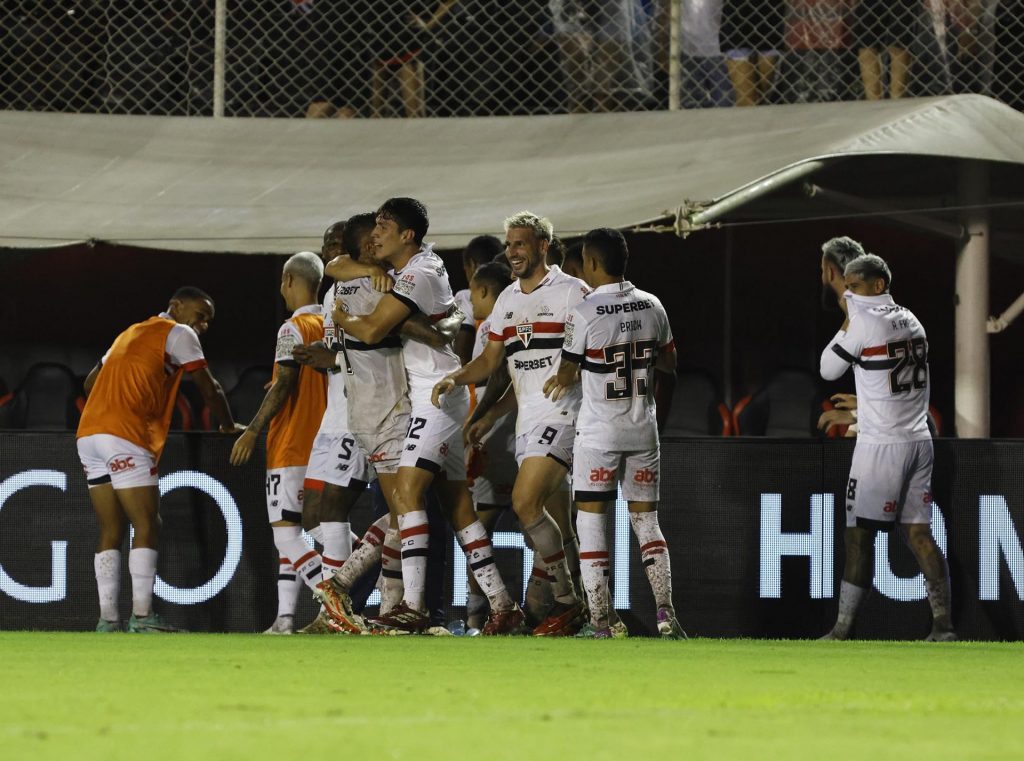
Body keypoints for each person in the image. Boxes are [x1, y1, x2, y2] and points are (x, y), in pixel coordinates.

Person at [325, 198, 522, 634]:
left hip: (435, 396)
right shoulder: (416, 266)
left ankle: (411, 606)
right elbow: (337, 264)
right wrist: (369, 272)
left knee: (408, 495)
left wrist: (344, 318)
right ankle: (504, 604)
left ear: (406, 235)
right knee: (457, 506)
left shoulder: (416, 274)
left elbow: (375, 329)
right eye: (373, 226)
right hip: (436, 394)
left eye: (384, 226)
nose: (375, 234)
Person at [295, 213, 463, 633]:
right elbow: (393, 331)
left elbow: (338, 276)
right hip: (387, 409)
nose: (381, 240)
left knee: (400, 510)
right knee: (403, 508)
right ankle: (344, 591)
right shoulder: (378, 285)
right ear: (368, 247)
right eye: (376, 237)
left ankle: (386, 610)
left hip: (363, 410)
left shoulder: (338, 286)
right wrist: (444, 328)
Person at [433, 210, 591, 636]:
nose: (512, 252)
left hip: (564, 416)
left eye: (520, 243)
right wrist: (463, 386)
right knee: (557, 524)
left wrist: (573, 372)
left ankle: (569, 603)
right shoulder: (507, 300)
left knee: (524, 504)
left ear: (542, 246)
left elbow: (598, 342)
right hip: (527, 424)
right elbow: (491, 363)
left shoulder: (572, 291)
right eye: (509, 244)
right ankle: (583, 615)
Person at [542, 228, 685, 639]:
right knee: (647, 523)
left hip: (600, 434)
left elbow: (567, 371)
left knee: (591, 524)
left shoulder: (584, 312)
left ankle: (602, 622)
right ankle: (665, 614)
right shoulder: (653, 305)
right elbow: (670, 365)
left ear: (589, 262)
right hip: (644, 431)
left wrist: (557, 379)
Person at [78, 287, 243, 633]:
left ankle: (107, 621)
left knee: (111, 528)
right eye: (200, 315)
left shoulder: (131, 332)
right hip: (125, 433)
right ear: (176, 307)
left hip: (90, 433)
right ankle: (142, 617)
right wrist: (228, 424)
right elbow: (208, 386)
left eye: (208, 320)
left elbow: (91, 381)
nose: (203, 325)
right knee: (148, 522)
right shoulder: (179, 333)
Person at [819, 254, 955, 642]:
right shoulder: (912, 320)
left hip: (882, 448)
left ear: (878, 285)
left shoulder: (863, 321)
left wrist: (848, 319)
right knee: (919, 534)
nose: (848, 293)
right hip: (918, 440)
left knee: (859, 537)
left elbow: (827, 368)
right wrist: (863, 407)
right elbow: (893, 384)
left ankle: (842, 631)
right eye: (845, 286)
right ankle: (943, 627)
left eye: (855, 286)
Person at [229, 252, 328, 635]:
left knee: (285, 533)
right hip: (327, 443)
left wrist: (253, 430)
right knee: (305, 532)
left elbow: (285, 383)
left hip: (291, 443)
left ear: (288, 280)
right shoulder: (332, 324)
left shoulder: (293, 328)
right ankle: (285, 619)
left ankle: (337, 601)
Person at [462, 260, 522, 629]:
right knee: (537, 523)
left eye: (472, 295)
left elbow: (495, 377)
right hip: (523, 434)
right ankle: (548, 606)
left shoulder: (491, 328)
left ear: (484, 292)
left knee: (476, 529)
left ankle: (475, 616)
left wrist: (474, 423)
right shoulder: (520, 316)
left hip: (495, 439)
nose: (471, 303)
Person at [370, 1, 459, 117]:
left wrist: (428, 25)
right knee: (375, 113)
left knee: (414, 114)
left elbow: (449, 2)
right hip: (379, 47)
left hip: (408, 50)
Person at [454, 234, 504, 365]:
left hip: (478, 379)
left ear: (472, 264)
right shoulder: (516, 292)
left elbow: (461, 354)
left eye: (465, 270)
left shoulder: (465, 296)